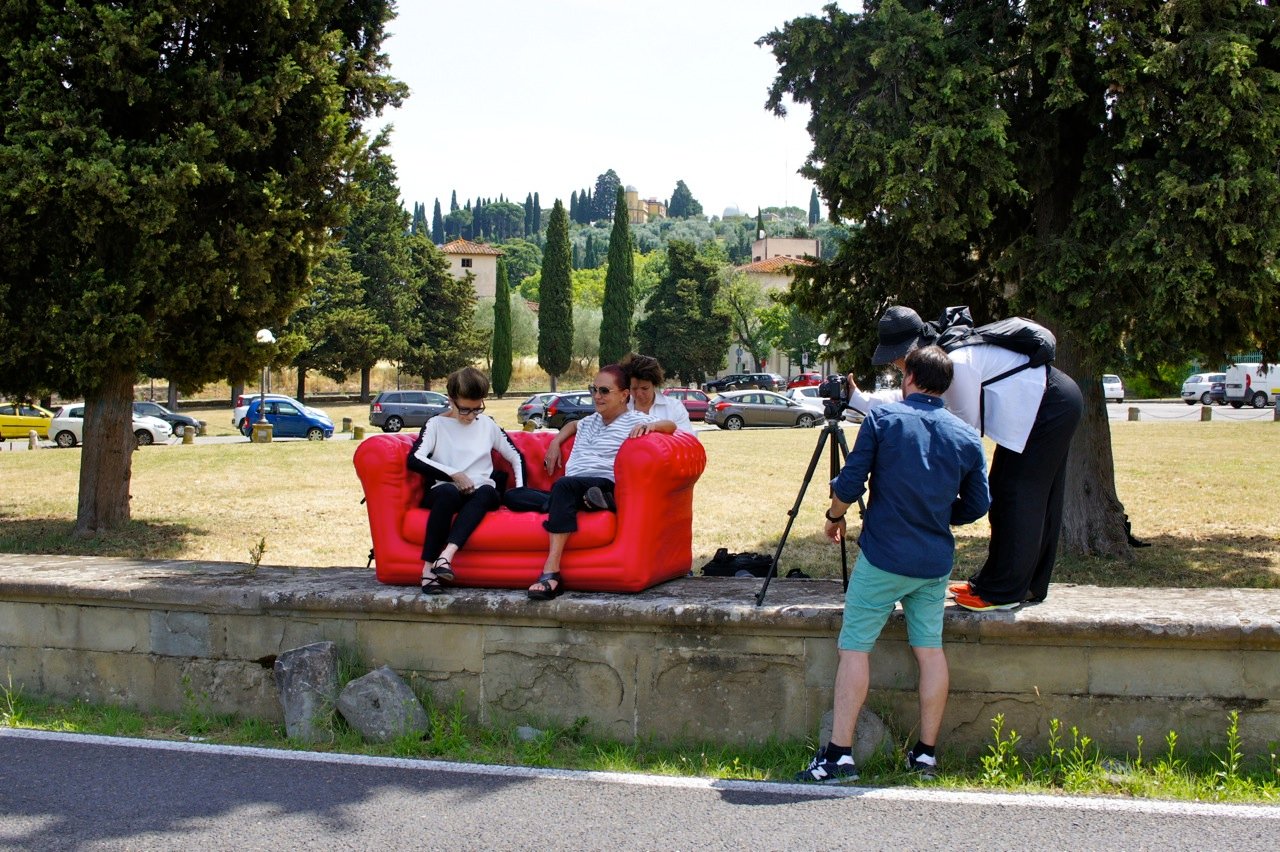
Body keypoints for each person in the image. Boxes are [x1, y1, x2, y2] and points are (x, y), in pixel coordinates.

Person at [797, 346, 989, 783]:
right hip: (933, 561)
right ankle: (925, 754)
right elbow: (979, 504)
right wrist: (940, 516)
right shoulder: (965, 436)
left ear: (910, 378)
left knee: (855, 647)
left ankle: (839, 755)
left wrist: (834, 516)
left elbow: (851, 480)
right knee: (930, 650)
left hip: (884, 556)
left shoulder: (884, 420)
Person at [848, 305, 1083, 611]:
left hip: (1051, 405)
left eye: (897, 354)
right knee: (1010, 489)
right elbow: (915, 405)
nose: (895, 362)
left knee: (1017, 493)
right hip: (1044, 404)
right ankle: (1012, 584)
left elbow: (960, 429)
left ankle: (1005, 591)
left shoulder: (956, 364)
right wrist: (858, 399)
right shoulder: (942, 360)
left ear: (914, 348)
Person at [528, 364, 675, 600]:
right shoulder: (591, 420)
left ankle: (552, 572)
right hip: (576, 487)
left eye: (604, 391)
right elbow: (572, 425)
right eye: (593, 389)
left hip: (603, 481)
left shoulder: (634, 419)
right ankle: (588, 503)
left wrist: (652, 426)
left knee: (562, 487)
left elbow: (671, 426)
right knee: (514, 496)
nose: (597, 396)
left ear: (624, 395)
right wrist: (555, 443)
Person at [407, 366, 524, 595]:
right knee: (448, 493)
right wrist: (454, 474)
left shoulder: (487, 424)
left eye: (476, 409)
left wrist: (520, 490)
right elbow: (415, 459)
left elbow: (516, 457)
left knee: (488, 492)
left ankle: (446, 557)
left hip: (480, 492)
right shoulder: (436, 425)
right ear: (451, 400)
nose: (471, 416)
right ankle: (428, 570)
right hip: (446, 489)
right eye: (465, 410)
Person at [541, 352, 691, 478]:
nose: (638, 394)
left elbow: (683, 440)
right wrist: (555, 442)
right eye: (634, 388)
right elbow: (586, 425)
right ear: (626, 390)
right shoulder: (619, 406)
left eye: (644, 388)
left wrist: (654, 428)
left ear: (655, 385)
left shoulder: (673, 408)